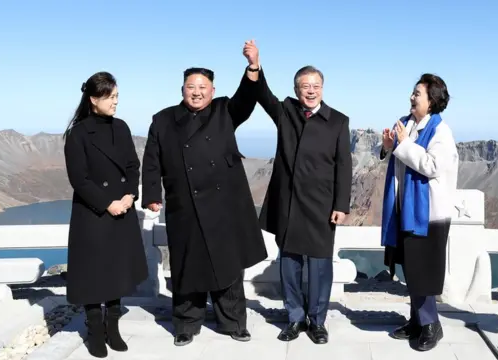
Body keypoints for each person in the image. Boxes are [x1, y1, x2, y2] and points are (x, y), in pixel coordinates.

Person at [141, 40, 267, 346]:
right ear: (181, 89)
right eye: (190, 86)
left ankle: (235, 322)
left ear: (212, 89)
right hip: (184, 204)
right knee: (186, 265)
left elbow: (247, 97)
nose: (196, 92)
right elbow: (152, 159)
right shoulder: (163, 119)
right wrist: (152, 195)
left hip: (224, 206)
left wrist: (252, 66)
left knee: (228, 266)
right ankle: (186, 324)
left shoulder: (225, 109)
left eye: (203, 86)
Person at [255, 60, 352, 344]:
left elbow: (343, 166)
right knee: (289, 263)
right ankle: (295, 318)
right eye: (305, 86)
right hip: (288, 203)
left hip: (322, 204)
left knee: (320, 266)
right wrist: (255, 66)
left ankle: (318, 322)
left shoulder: (338, 121)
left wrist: (341, 205)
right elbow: (262, 93)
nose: (310, 91)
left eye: (315, 86)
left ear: (323, 89)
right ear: (296, 89)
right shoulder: (286, 112)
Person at [63, 71, 148, 358]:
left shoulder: (121, 127)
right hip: (93, 212)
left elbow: (132, 165)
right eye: (110, 97)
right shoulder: (78, 133)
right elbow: (79, 179)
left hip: (122, 208)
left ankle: (113, 327)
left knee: (116, 270)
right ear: (93, 99)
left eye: (117, 97)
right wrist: (107, 203)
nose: (115, 103)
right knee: (92, 274)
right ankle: (95, 329)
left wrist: (129, 194)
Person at [379, 73, 458, 352]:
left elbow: (432, 166)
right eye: (412, 93)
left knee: (422, 270)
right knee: (411, 269)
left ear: (432, 101)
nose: (412, 98)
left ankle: (431, 325)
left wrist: (402, 145)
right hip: (406, 209)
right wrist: (389, 147)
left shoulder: (440, 131)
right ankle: (416, 321)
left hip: (428, 215)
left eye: (418, 94)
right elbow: (400, 159)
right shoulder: (407, 124)